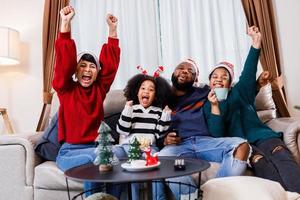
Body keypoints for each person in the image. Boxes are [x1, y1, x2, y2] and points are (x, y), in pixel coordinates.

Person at [206, 26, 300, 193]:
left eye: (224, 77)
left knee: (282, 156)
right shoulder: (208, 104)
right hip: (244, 146)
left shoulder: (240, 91)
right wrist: (215, 106)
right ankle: (285, 196)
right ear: (209, 82)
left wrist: (256, 43)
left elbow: (248, 71)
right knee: (261, 163)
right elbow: (217, 135)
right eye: (215, 77)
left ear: (230, 82)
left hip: (265, 137)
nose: (219, 80)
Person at [155, 58, 251, 200]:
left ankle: (215, 194)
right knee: (163, 159)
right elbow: (149, 127)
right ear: (174, 72)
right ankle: (191, 197)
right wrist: (164, 140)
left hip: (205, 142)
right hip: (179, 146)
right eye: (181, 68)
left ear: (196, 78)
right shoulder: (161, 97)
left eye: (190, 71)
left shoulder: (204, 92)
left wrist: (258, 85)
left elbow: (237, 90)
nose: (185, 72)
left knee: (242, 146)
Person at [52, 6, 121, 197]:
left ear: (98, 72)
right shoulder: (65, 89)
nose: (88, 70)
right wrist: (65, 24)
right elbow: (63, 64)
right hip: (69, 153)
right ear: (75, 71)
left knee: (115, 160)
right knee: (98, 159)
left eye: (92, 66)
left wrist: (112, 30)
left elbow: (111, 68)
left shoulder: (99, 89)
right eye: (82, 65)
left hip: (96, 148)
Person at [115, 73, 172, 200]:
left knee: (157, 165)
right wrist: (127, 110)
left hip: (149, 148)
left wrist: (165, 116)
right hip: (129, 147)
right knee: (126, 164)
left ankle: (159, 198)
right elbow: (122, 130)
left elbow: (159, 133)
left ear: (155, 95)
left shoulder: (158, 112)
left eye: (151, 89)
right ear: (136, 92)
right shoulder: (131, 109)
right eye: (143, 88)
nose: (146, 91)